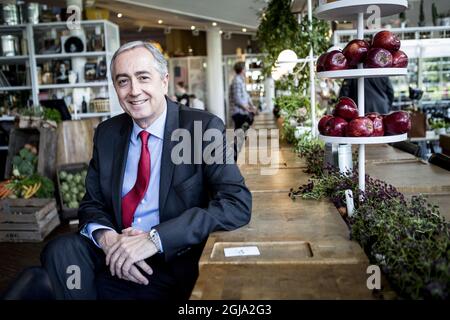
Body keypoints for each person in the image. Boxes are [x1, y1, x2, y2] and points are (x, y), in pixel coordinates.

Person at [40, 41, 252, 300]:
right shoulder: (107, 134)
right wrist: (110, 241)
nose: (134, 91)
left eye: (143, 77)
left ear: (164, 81)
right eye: (123, 81)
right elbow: (92, 204)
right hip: (115, 251)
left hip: (171, 258)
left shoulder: (201, 128)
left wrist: (154, 239)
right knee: (61, 250)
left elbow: (235, 203)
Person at [229, 61, 257, 130]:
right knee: (240, 133)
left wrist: (251, 106)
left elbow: (246, 95)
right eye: (245, 68)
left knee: (243, 132)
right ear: (242, 69)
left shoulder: (241, 80)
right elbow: (236, 98)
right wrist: (246, 108)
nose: (246, 70)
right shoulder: (236, 81)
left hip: (243, 112)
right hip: (238, 112)